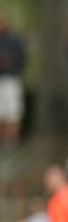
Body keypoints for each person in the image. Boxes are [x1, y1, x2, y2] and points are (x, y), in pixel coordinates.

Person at [0, 11, 26, 144]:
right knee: (2, 114)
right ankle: (3, 142)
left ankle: (12, 141)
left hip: (11, 80)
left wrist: (9, 63)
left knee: (13, 113)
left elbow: (22, 59)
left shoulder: (14, 40)